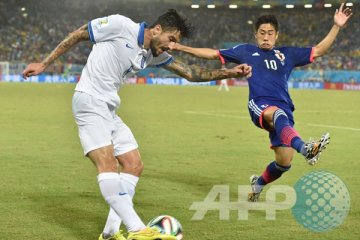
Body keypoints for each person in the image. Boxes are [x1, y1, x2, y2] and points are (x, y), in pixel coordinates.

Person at [22, 9, 251, 240]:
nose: (172, 46)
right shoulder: (121, 25)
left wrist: (230, 73)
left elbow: (190, 72)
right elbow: (79, 34)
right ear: (157, 29)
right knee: (108, 163)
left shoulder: (153, 53)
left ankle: (110, 234)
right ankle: (137, 230)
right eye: (172, 39)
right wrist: (44, 63)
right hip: (89, 100)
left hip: (109, 109)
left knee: (133, 164)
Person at [172, 3, 352, 202]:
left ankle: (258, 184)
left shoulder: (287, 54)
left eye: (270, 33)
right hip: (260, 105)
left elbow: (318, 50)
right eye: (262, 33)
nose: (266, 37)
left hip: (284, 111)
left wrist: (336, 26)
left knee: (284, 163)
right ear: (256, 34)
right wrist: (180, 47)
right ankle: (306, 149)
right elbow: (213, 53)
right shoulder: (245, 51)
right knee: (278, 115)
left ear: (277, 35)